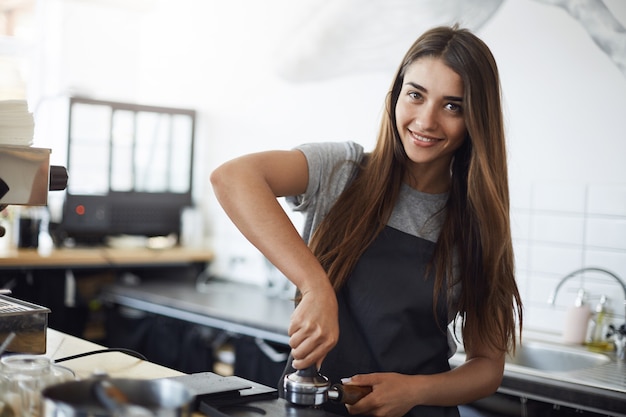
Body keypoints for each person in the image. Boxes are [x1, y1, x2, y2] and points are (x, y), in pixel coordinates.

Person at [211, 25, 523, 417]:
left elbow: (487, 367)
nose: (426, 121)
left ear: (476, 118)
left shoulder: (478, 225)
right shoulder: (342, 171)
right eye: (416, 95)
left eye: (452, 106)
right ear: (396, 96)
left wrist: (413, 391)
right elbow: (233, 178)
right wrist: (315, 287)